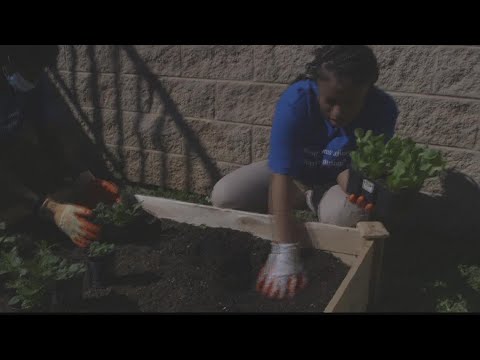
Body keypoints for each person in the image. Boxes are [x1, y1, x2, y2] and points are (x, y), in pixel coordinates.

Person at [211, 45, 399, 299]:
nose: (338, 113)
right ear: (317, 87)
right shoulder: (296, 100)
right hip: (294, 176)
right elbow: (280, 173)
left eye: (350, 103)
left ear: (368, 91)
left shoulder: (383, 109)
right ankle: (306, 197)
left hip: (336, 183)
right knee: (225, 195)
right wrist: (284, 250)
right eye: (330, 102)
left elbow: (358, 176)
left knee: (340, 217)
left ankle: (316, 198)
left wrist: (354, 181)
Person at [0, 45, 120, 248]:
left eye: (41, 71)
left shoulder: (32, 80)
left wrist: (84, 177)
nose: (35, 78)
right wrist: (51, 208)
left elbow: (47, 132)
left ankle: (28, 208)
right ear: (9, 62)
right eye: (31, 72)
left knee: (32, 152)